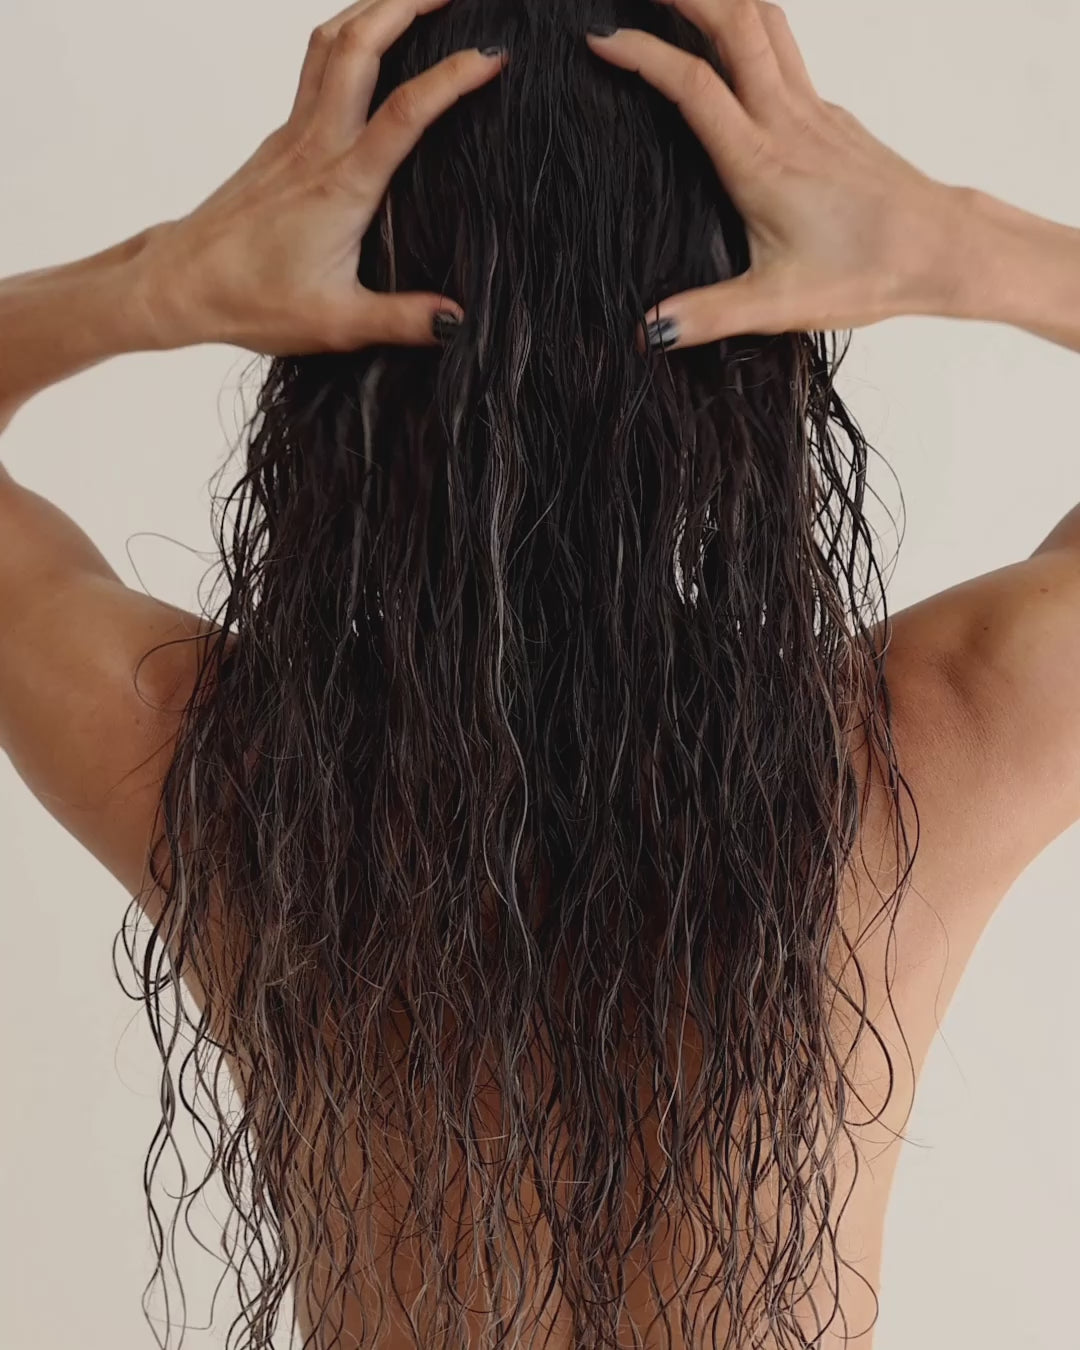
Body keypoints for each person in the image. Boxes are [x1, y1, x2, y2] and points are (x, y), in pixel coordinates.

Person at [2, 0, 1079, 1346]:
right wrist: (956, 244)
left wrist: (161, 279)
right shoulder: (935, 741)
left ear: (336, 365)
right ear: (749, 348)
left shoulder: (223, 780)